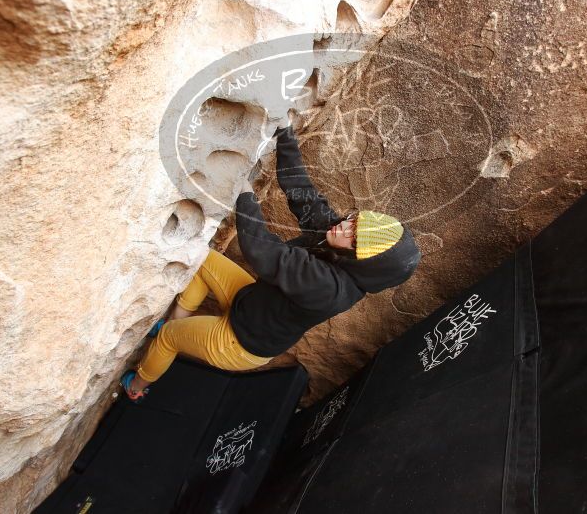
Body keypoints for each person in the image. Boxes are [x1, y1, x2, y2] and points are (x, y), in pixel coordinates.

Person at [119, 122, 422, 401]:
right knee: (201, 259)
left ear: (363, 262)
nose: (345, 227)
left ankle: (137, 387)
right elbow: (302, 193)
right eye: (356, 222)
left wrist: (244, 191)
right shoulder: (336, 241)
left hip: (239, 342)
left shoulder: (330, 289)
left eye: (355, 237)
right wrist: (285, 133)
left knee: (170, 340)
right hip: (250, 303)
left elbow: (263, 251)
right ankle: (177, 321)